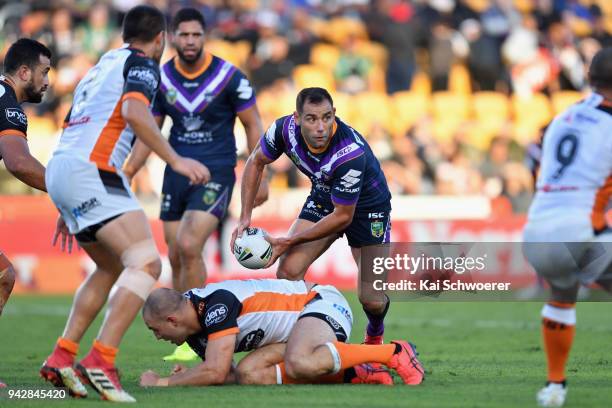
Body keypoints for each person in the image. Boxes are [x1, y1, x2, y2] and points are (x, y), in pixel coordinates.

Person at [39, 6, 209, 402]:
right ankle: (102, 359)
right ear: (161, 39)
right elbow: (133, 113)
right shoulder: (144, 64)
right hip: (93, 170)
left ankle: (62, 356)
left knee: (110, 264)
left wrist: (69, 199)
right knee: (147, 262)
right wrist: (176, 160)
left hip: (64, 167)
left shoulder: (103, 63)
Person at [124, 8, 268, 361]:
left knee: (190, 245)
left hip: (217, 170)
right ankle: (184, 334)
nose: (189, 41)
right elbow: (149, 130)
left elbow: (253, 124)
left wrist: (261, 174)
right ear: (171, 37)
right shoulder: (161, 78)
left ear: (205, 37)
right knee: (175, 253)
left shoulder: (229, 76)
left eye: (196, 35)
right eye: (183, 35)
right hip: (176, 172)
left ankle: (205, 334)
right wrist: (128, 171)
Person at [231, 87, 393, 346]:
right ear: (297, 118)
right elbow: (255, 161)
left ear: (334, 115)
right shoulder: (283, 130)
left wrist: (287, 241)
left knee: (371, 298)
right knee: (288, 271)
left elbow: (343, 217)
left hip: (368, 209)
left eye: (327, 117)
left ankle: (375, 334)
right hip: (324, 197)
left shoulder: (350, 152)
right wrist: (244, 218)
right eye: (312, 118)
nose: (321, 127)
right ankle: (298, 340)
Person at [522, 47, 612, 408]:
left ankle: (555, 388)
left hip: (536, 233)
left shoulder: (563, 117)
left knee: (562, 298)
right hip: (578, 233)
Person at [138, 279, 424, 387]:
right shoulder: (193, 329)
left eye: (155, 329)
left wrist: (162, 383)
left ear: (172, 319)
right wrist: (187, 378)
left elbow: (214, 370)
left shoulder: (216, 305)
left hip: (319, 303)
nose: (157, 336)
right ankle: (357, 373)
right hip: (298, 330)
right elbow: (226, 374)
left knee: (300, 361)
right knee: (249, 375)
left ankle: (394, 352)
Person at [0, 38, 58, 388]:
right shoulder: (8, 106)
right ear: (24, 72)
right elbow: (19, 163)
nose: (47, 81)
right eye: (44, 72)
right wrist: (64, 186)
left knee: (3, 275)